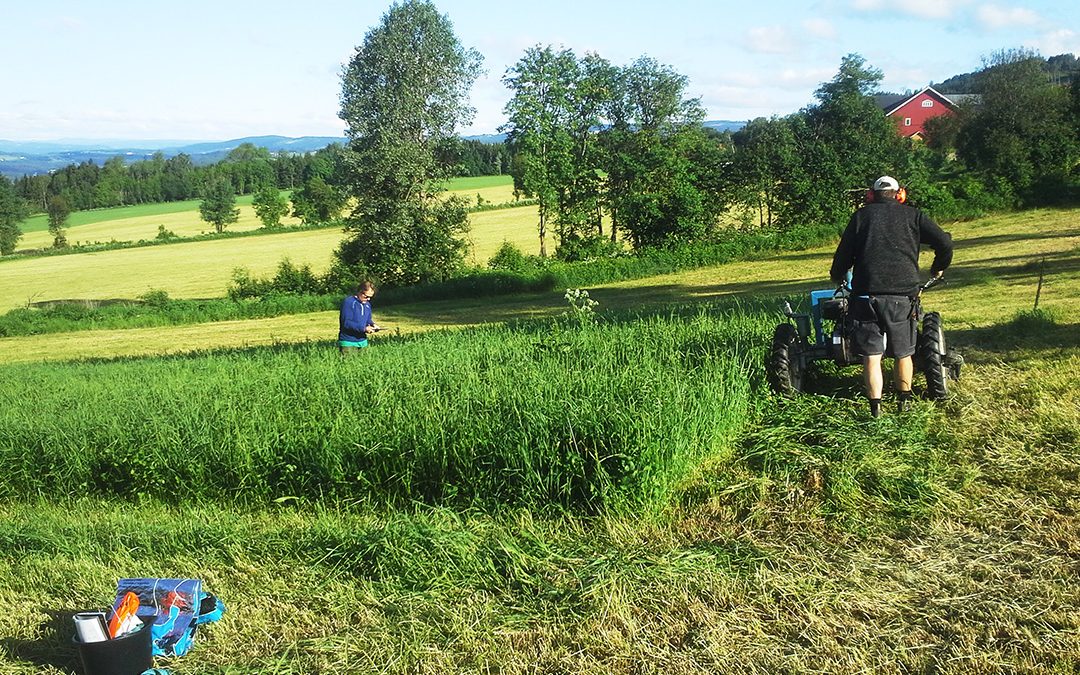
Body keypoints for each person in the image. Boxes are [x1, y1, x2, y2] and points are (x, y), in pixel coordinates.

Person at [830, 176, 954, 417]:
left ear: (870, 196)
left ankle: (875, 409)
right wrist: (938, 266)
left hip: (866, 296)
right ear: (900, 194)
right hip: (903, 297)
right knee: (904, 353)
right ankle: (903, 403)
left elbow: (842, 256)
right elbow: (944, 243)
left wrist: (838, 276)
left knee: (871, 357)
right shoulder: (914, 216)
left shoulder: (860, 218)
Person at [338, 281, 380, 353]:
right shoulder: (349, 302)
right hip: (348, 341)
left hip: (362, 341)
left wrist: (373, 325)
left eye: (370, 297)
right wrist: (364, 328)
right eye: (366, 296)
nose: (368, 299)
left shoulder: (367, 304)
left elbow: (368, 319)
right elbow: (346, 323)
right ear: (360, 292)